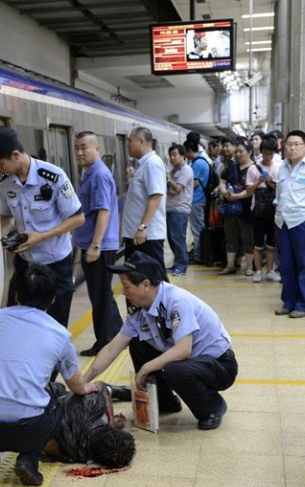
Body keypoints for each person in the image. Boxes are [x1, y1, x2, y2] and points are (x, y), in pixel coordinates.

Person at [0, 263, 97, 486]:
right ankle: (29, 459)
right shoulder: (60, 334)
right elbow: (76, 384)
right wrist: (86, 389)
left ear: (16, 294)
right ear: (53, 299)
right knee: (58, 398)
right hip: (30, 431)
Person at [84, 251, 238, 429]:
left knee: (175, 369)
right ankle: (165, 401)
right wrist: (83, 381)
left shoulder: (176, 301)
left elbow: (183, 350)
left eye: (126, 287)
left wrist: (146, 368)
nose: (123, 293)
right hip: (193, 362)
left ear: (146, 285)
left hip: (219, 365)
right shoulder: (140, 312)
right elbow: (112, 349)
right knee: (137, 343)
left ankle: (213, 406)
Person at [0, 127, 85, 329]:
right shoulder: (7, 182)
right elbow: (6, 215)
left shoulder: (53, 177)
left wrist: (41, 237)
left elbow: (78, 218)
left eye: (0, 163)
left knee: (53, 327)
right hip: (24, 264)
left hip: (55, 265)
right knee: (16, 323)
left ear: (15, 155)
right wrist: (4, 235)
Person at [72, 131, 123, 357]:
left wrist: (95, 245)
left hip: (99, 246)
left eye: (84, 147)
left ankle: (104, 342)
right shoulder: (91, 173)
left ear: (97, 149)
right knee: (103, 294)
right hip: (97, 244)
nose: (80, 152)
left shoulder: (99, 175)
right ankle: (119, 334)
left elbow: (104, 211)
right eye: (76, 148)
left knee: (99, 296)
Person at [41, 385, 136, 468]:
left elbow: (100, 385)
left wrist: (110, 417)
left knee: (59, 389)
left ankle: (120, 390)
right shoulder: (72, 454)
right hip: (45, 404)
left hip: (45, 396)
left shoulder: (95, 402)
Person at [274, 130, 305, 318]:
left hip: (302, 221)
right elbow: (279, 195)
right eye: (289, 144)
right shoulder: (282, 167)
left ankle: (304, 304)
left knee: (304, 264)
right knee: (286, 264)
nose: (293, 147)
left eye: (297, 144)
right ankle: (288, 302)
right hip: (282, 222)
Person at [121, 127, 168, 273]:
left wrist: (142, 227)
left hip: (146, 237)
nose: (127, 144)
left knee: (153, 279)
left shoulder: (152, 163)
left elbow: (155, 197)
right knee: (135, 279)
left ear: (141, 141)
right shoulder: (143, 164)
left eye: (130, 141)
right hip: (138, 235)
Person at [244, 137, 281, 282]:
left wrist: (272, 183)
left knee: (272, 243)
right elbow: (248, 190)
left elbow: (281, 189)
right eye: (265, 153)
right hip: (257, 210)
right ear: (261, 152)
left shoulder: (278, 168)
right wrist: (258, 182)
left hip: (273, 210)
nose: (267, 156)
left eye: (270, 154)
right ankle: (258, 271)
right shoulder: (253, 169)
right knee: (257, 243)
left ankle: (270, 270)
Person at [220, 140, 255, 276]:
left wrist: (237, 196)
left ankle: (249, 267)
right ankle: (230, 265)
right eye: (237, 152)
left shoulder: (254, 168)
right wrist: (225, 193)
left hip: (247, 209)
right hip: (230, 208)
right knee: (230, 237)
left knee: (248, 238)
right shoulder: (231, 166)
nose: (238, 154)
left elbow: (251, 189)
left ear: (249, 152)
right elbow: (222, 181)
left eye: (241, 152)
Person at [165, 144, 193, 276]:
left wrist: (169, 180)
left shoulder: (186, 170)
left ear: (183, 156)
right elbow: (169, 190)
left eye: (175, 155)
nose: (172, 158)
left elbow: (175, 189)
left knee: (178, 239)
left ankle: (182, 266)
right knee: (172, 238)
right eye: (170, 155)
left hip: (179, 210)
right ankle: (177, 263)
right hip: (171, 209)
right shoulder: (174, 171)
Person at [184, 140, 210, 265]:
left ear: (189, 150)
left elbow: (195, 183)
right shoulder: (201, 161)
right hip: (200, 199)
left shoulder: (198, 163)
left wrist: (182, 186)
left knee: (197, 229)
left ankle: (198, 256)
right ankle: (199, 253)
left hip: (197, 200)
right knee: (198, 228)